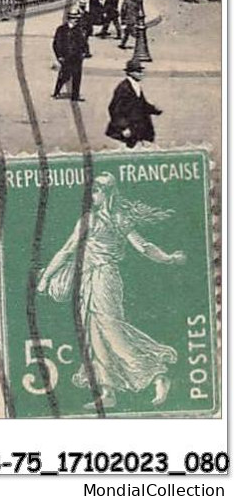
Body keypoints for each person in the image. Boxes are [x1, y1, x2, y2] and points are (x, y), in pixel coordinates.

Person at [36, 172, 183, 407]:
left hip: (104, 279)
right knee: (93, 334)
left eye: (97, 190)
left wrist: (168, 258)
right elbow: (68, 250)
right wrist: (168, 259)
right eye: (92, 190)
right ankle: (108, 391)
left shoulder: (105, 219)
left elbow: (142, 246)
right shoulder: (108, 219)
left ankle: (157, 374)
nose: (93, 195)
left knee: (111, 331)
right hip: (89, 280)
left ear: (108, 193)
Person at [106, 62, 161, 149]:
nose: (142, 74)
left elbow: (141, 103)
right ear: (131, 73)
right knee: (130, 149)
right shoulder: (123, 88)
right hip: (129, 127)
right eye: (139, 71)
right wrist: (123, 127)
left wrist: (154, 110)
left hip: (139, 126)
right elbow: (114, 109)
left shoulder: (136, 86)